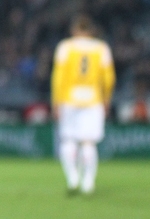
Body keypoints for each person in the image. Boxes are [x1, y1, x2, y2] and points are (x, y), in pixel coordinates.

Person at [51, 13, 115, 195]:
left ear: (74, 30)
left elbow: (58, 78)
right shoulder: (101, 48)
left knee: (68, 139)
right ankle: (88, 183)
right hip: (93, 99)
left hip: (69, 99)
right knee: (89, 142)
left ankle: (73, 178)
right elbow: (109, 78)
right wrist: (106, 98)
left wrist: (56, 101)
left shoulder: (65, 47)